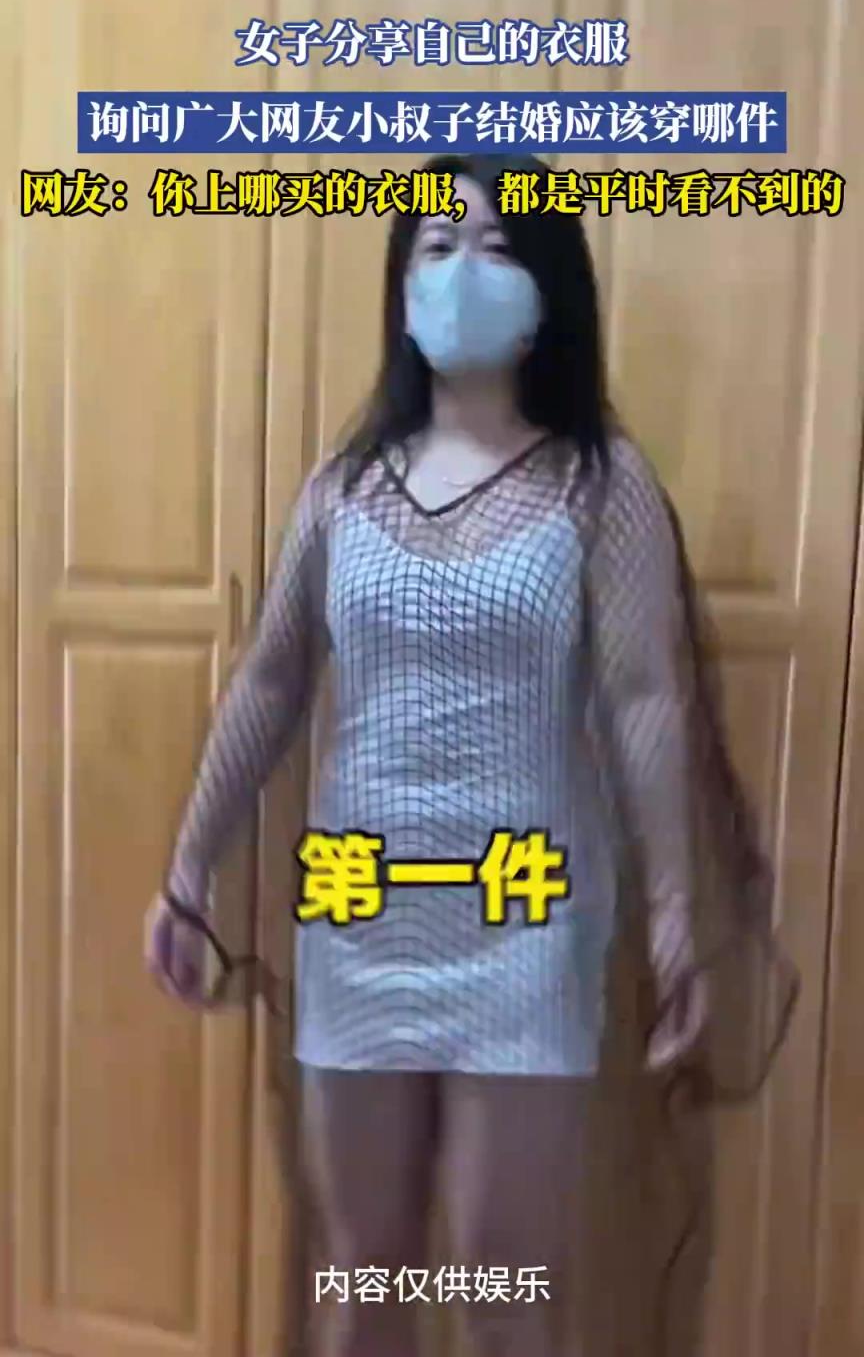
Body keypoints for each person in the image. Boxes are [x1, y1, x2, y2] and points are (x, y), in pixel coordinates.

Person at [144, 153, 794, 1357]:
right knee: (364, 1274)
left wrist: (671, 914)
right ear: (401, 283)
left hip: (525, 931)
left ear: (549, 283)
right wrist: (187, 874)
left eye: (498, 246)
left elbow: (646, 701)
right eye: (437, 247)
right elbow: (272, 681)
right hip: (358, 922)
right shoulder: (341, 490)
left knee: (507, 1290)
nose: (462, 270)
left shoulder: (602, 485)